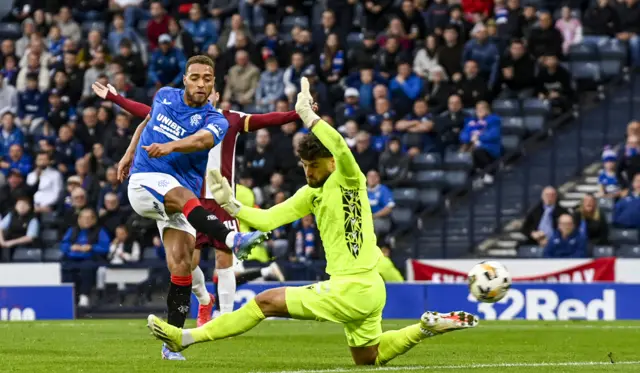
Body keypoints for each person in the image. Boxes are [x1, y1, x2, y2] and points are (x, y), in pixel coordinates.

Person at [147, 78, 478, 365]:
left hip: (351, 288)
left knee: (264, 302)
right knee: (368, 357)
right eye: (304, 165)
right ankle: (424, 328)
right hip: (369, 289)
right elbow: (266, 220)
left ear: (330, 163)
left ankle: (184, 338)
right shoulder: (311, 192)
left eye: (314, 165)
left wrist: (309, 116)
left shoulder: (349, 177)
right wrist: (230, 204)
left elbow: (338, 145)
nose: (309, 171)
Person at [93, 72, 308, 327]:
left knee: (223, 257)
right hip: (188, 195)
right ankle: (205, 299)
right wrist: (117, 101)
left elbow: (268, 119)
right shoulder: (180, 111)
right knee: (186, 261)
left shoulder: (229, 119)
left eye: (210, 85)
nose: (205, 89)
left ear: (217, 93)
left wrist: (299, 114)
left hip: (220, 197)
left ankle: (226, 317)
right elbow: (148, 114)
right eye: (198, 81)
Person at [116, 55, 267, 360]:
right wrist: (129, 152)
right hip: (145, 181)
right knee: (186, 197)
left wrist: (171, 146)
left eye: (207, 79)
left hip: (172, 199)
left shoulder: (217, 121)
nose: (201, 83)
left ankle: (171, 343)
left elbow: (200, 142)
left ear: (214, 85)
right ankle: (232, 239)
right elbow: (146, 122)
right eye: (195, 77)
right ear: (184, 79)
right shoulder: (164, 96)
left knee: (182, 264)